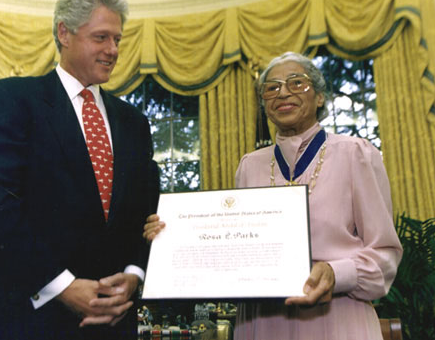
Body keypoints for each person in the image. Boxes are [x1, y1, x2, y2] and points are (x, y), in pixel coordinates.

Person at [144, 52, 402, 339]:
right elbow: (232, 243)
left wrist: (336, 273)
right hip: (262, 322)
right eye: (272, 87)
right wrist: (172, 236)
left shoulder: (355, 154)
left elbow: (385, 256)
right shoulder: (249, 165)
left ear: (319, 97)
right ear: (264, 103)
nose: (283, 93)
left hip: (336, 317)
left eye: (296, 83)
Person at [0, 0, 159, 339]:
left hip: (114, 322)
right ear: (64, 33)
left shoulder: (133, 122)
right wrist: (62, 286)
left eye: (118, 39)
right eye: (101, 37)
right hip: (30, 320)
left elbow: (148, 210)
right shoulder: (14, 99)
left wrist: (135, 273)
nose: (113, 50)